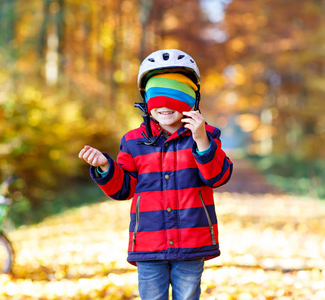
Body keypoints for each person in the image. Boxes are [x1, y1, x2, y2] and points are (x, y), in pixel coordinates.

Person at [78, 49, 233, 300]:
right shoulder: (133, 142)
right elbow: (124, 188)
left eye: (175, 96)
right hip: (149, 243)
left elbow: (218, 176)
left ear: (192, 100)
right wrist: (106, 167)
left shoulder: (205, 136)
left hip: (192, 241)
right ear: (146, 102)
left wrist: (202, 140)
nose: (165, 105)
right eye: (157, 96)